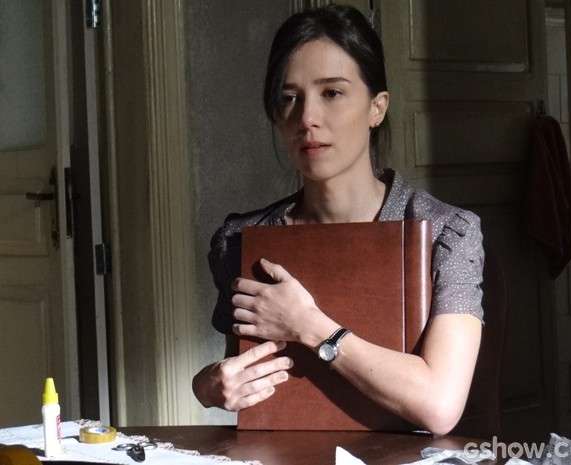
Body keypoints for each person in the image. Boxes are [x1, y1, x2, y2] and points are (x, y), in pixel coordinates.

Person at [192, 4, 484, 436]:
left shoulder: (447, 232)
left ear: (377, 108)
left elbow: (440, 405)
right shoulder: (241, 239)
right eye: (289, 98)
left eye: (332, 93)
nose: (307, 118)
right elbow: (241, 375)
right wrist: (209, 386)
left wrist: (309, 326)